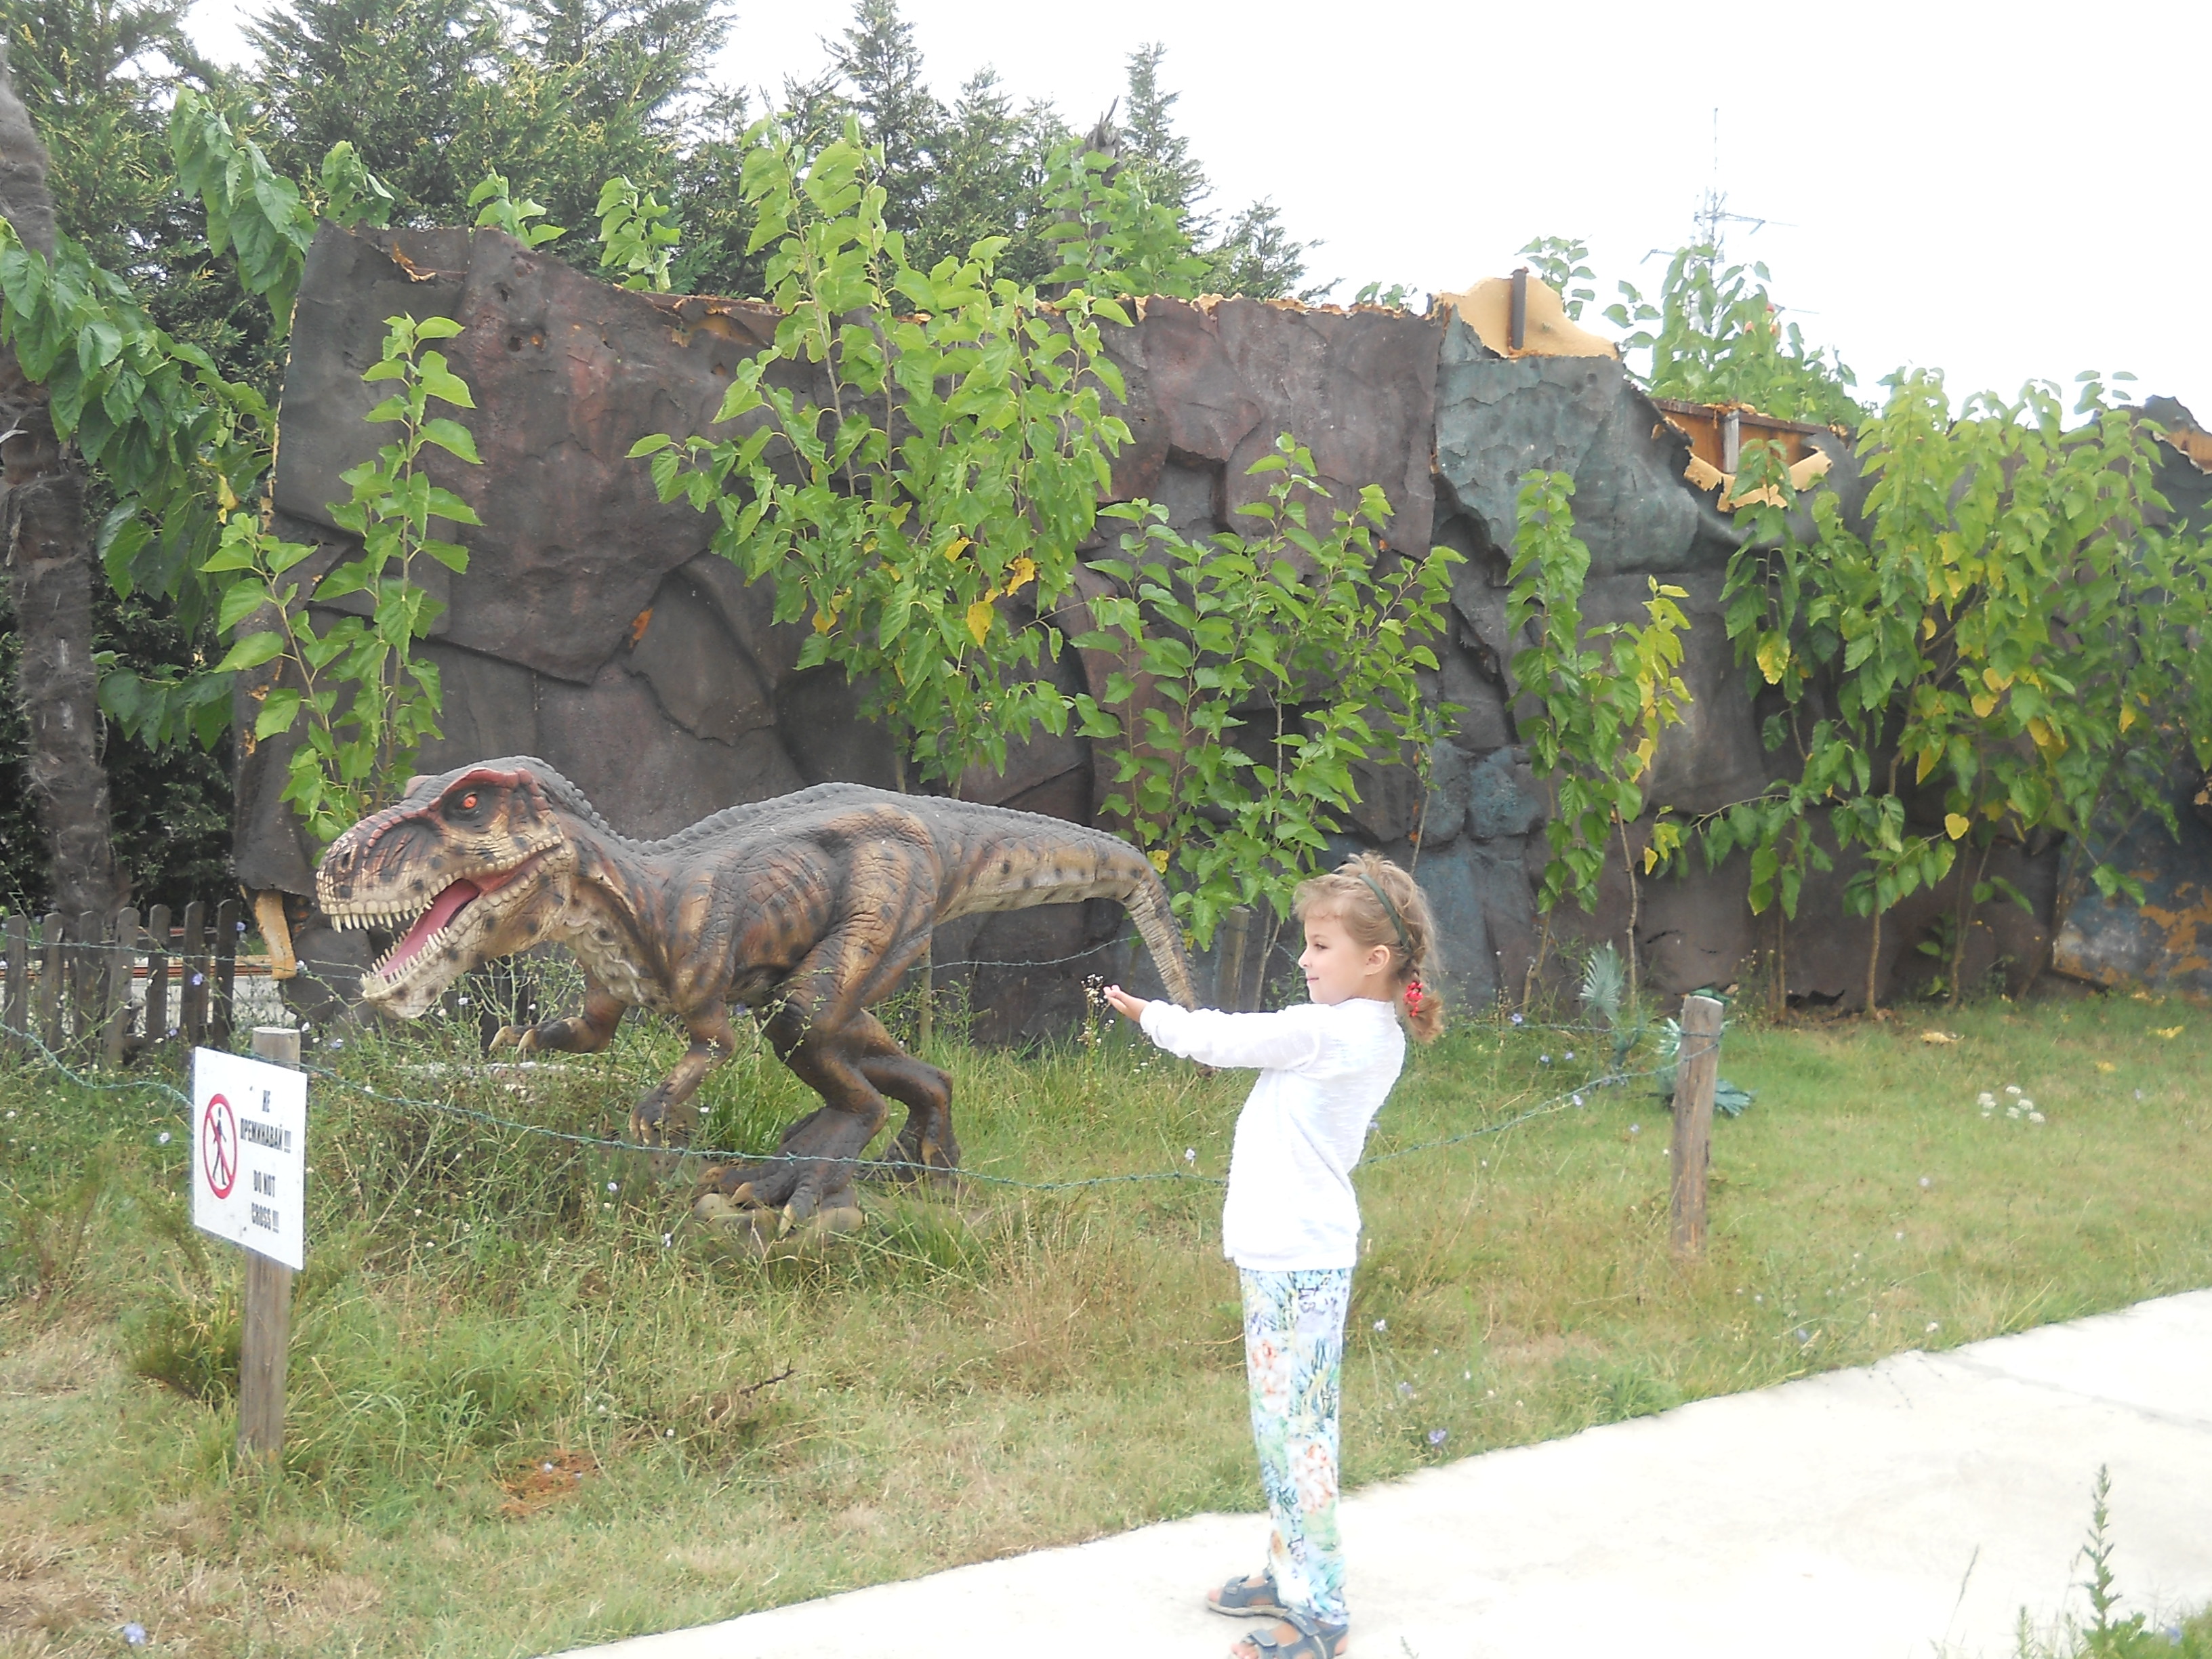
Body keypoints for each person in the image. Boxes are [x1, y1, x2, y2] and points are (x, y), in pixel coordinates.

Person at [1102, 852, 1442, 1659]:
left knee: (1302, 1435)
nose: (1305, 960)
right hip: (1286, 1258)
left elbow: (1224, 1039)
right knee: (1281, 1427)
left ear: (1376, 959)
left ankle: (1321, 1614)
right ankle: (1287, 1570)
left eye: (1322, 946)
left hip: (1300, 1263)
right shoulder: (1363, 1031)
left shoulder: (1330, 1033)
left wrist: (1151, 1016)